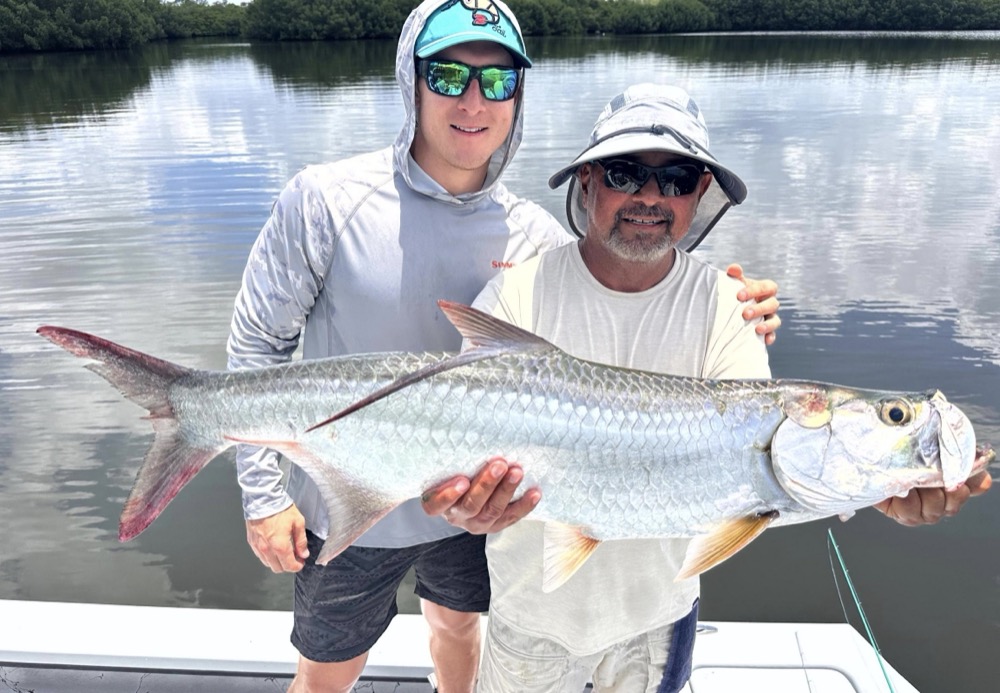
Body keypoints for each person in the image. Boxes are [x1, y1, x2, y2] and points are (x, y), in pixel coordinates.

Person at [227, 2, 781, 691]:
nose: (472, 99)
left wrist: (740, 300)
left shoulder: (535, 238)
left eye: (497, 81)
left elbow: (615, 287)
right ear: (412, 78)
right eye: (449, 74)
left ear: (519, 95)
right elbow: (257, 344)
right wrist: (262, 494)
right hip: (350, 493)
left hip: (479, 499)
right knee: (326, 669)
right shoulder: (323, 199)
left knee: (459, 635)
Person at [422, 83, 993, 693]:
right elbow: (462, 459)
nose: (649, 196)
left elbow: (775, 478)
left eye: (676, 179)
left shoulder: (730, 308)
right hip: (529, 612)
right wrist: (465, 504)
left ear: (700, 194)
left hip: (656, 622)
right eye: (625, 172)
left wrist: (881, 488)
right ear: (587, 182)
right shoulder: (515, 297)